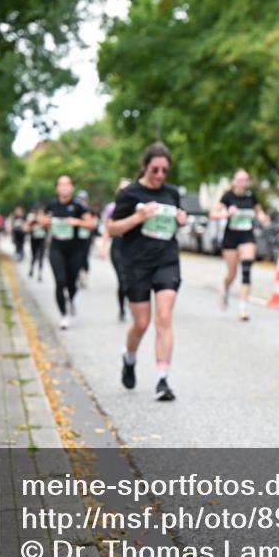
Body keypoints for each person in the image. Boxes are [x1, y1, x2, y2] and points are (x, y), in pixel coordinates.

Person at [107, 142, 187, 401]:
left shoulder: (172, 193)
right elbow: (112, 229)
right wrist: (138, 217)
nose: (160, 175)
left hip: (166, 260)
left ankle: (163, 380)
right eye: (155, 170)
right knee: (141, 323)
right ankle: (129, 358)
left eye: (165, 170)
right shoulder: (130, 194)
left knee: (164, 317)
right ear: (145, 166)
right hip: (136, 264)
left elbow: (173, 226)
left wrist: (180, 221)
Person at [209, 169, 271, 321]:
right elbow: (212, 214)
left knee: (246, 270)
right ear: (234, 182)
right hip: (230, 238)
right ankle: (225, 286)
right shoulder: (228, 197)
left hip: (247, 237)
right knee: (232, 273)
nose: (243, 183)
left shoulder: (251, 197)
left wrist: (263, 218)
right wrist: (226, 214)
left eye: (246, 180)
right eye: (240, 180)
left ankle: (242, 309)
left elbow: (259, 212)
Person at [40, 175, 96, 329]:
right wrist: (46, 222)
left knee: (72, 283)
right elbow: (43, 223)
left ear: (72, 188)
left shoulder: (78, 206)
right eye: (61, 185)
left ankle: (71, 298)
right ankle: (63, 315)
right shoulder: (51, 205)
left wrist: (76, 221)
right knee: (60, 280)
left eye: (67, 184)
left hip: (75, 249)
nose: (64, 187)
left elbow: (91, 224)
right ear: (57, 188)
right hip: (57, 247)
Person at [100, 178, 133, 321]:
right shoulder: (112, 208)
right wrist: (103, 247)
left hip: (133, 247)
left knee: (132, 280)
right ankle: (121, 308)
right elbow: (108, 229)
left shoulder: (138, 208)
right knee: (122, 279)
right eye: (121, 190)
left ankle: (133, 304)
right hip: (118, 246)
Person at [75, 189, 97, 288]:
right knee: (77, 257)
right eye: (80, 199)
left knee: (85, 257)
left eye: (83, 199)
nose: (82, 201)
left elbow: (94, 224)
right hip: (77, 239)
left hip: (87, 238)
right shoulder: (75, 210)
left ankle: (85, 276)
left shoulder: (90, 211)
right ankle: (78, 275)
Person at [24, 206, 48, 281]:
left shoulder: (45, 220)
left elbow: (48, 228)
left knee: (41, 256)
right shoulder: (33, 220)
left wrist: (42, 223)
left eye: (41, 213)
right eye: (38, 213)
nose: (40, 214)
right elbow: (26, 228)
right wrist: (33, 224)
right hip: (34, 240)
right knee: (34, 256)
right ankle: (31, 269)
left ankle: (40, 273)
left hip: (42, 240)